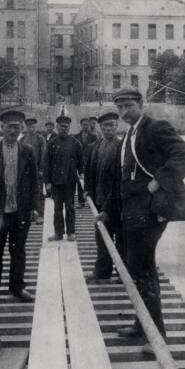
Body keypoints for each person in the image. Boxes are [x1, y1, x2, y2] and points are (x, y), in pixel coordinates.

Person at [98, 87, 185, 354]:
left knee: (142, 269)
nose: (123, 112)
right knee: (136, 267)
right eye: (120, 107)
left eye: (129, 106)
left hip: (150, 210)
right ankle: (142, 325)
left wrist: (158, 181)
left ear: (141, 104)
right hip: (131, 210)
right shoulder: (128, 136)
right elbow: (121, 180)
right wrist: (107, 210)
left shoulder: (155, 128)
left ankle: (157, 336)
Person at [0, 109, 40, 304]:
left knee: (18, 251)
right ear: (2, 127)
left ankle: (17, 288)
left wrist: (35, 208)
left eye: (17, 127)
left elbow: (34, 183)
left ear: (22, 129)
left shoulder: (28, 151)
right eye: (10, 127)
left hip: (20, 213)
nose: (13, 131)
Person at [84, 111, 122, 283]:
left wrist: (108, 206)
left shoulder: (122, 147)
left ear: (117, 126)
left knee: (121, 239)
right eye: (105, 126)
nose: (108, 129)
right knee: (101, 237)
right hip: (99, 200)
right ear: (100, 127)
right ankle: (102, 272)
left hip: (116, 203)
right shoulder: (96, 146)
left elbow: (119, 181)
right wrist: (87, 190)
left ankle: (123, 273)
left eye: (111, 125)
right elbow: (89, 170)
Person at [44, 114, 83, 242]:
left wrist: (82, 174)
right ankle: (58, 233)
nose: (64, 129)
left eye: (66, 127)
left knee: (70, 207)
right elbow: (47, 164)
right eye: (61, 126)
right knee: (57, 208)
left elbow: (81, 163)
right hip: (56, 182)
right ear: (57, 127)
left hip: (70, 182)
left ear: (69, 127)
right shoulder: (51, 144)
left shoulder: (76, 143)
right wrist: (47, 182)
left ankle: (71, 232)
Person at [20, 116, 46, 224]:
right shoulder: (22, 139)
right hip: (25, 171)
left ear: (36, 126)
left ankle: (40, 215)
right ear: (26, 127)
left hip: (37, 170)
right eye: (29, 126)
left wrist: (41, 170)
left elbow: (43, 155)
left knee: (38, 193)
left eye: (33, 126)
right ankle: (30, 215)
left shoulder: (40, 139)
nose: (31, 128)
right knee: (26, 192)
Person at [72, 117, 98, 208]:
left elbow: (95, 149)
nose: (85, 126)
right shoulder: (76, 137)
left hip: (90, 161)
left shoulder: (94, 136)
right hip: (80, 162)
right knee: (80, 182)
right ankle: (81, 201)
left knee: (91, 181)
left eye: (87, 125)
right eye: (84, 125)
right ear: (81, 125)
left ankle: (91, 202)